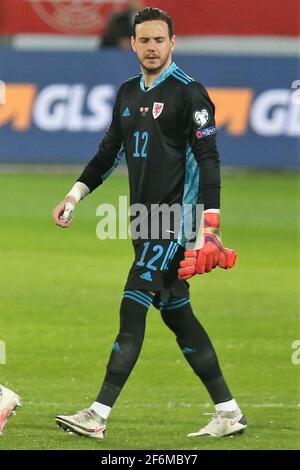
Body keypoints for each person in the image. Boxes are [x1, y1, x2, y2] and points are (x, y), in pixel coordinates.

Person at [52, 7, 247, 439]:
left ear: (172, 43)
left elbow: (209, 160)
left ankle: (97, 414)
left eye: (160, 39)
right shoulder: (127, 93)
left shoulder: (190, 93)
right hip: (143, 221)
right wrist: (74, 194)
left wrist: (209, 227)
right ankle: (229, 413)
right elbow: (107, 153)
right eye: (145, 40)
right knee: (177, 313)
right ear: (134, 43)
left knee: (132, 303)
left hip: (175, 222)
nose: (152, 47)